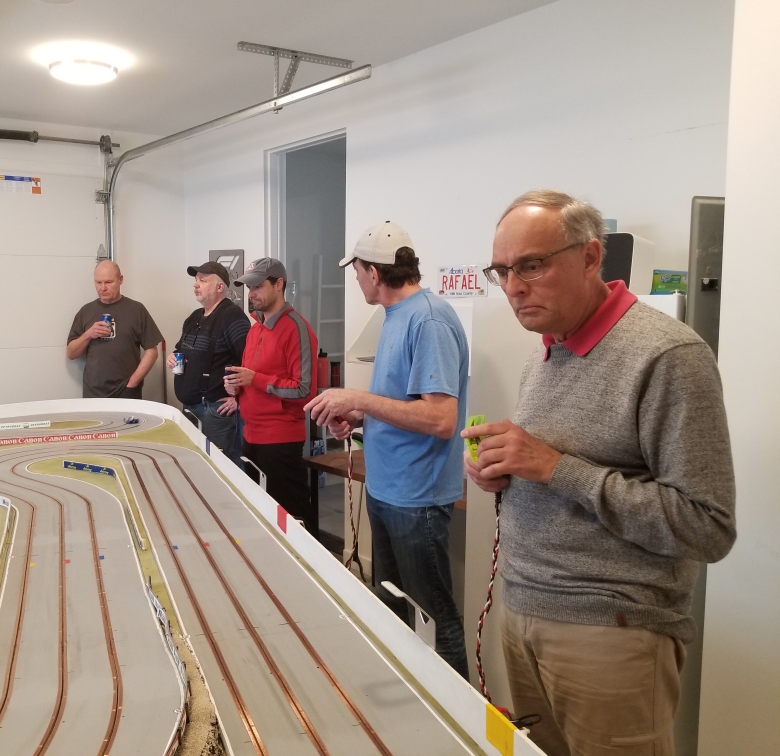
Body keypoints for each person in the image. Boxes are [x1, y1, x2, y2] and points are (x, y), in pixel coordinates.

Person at [461, 190, 736, 756]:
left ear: (590, 257)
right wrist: (505, 471)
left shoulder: (668, 355)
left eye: (532, 265)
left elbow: (707, 526)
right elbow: (556, 469)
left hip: (611, 631)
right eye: (502, 271)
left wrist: (555, 468)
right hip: (523, 610)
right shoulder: (545, 351)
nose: (513, 287)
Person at [305, 221, 470, 679]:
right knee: (394, 608)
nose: (357, 279)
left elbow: (441, 419)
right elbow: (404, 403)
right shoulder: (396, 316)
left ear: (374, 273)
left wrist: (358, 398)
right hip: (387, 489)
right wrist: (359, 416)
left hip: (416, 499)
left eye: (357, 271)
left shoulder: (429, 320)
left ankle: (456, 713)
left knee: (433, 620)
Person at [225, 258, 318, 532]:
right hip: (250, 437)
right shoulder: (256, 328)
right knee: (262, 520)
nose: (251, 294)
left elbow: (304, 389)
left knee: (294, 520)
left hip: (280, 442)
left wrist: (254, 379)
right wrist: (236, 388)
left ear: (279, 284)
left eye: (257, 286)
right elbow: (253, 380)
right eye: (249, 287)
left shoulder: (296, 327)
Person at [167, 261, 251, 465]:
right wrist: (173, 356)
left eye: (203, 281)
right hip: (191, 409)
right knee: (197, 466)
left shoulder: (233, 317)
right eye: (196, 280)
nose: (195, 284)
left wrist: (239, 401)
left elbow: (250, 361)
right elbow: (181, 349)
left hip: (216, 412)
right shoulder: (194, 317)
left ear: (220, 287)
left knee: (222, 468)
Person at [67, 260, 163, 399]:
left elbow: (152, 351)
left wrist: (133, 383)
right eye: (98, 282)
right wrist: (89, 334)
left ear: (120, 280)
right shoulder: (86, 311)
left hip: (127, 391)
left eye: (108, 282)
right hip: (93, 393)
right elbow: (71, 353)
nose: (103, 288)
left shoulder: (136, 310)